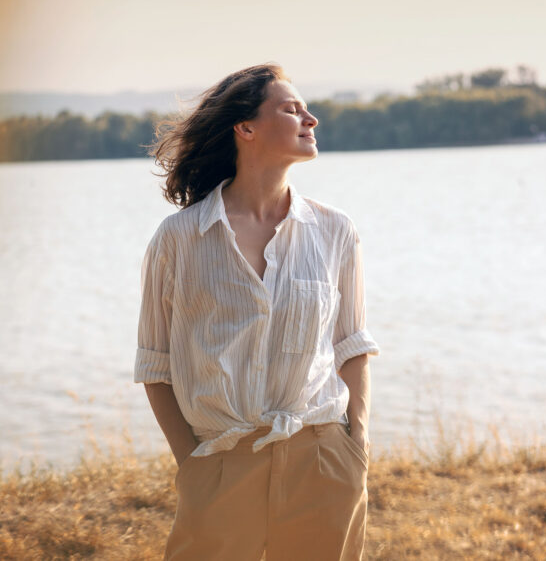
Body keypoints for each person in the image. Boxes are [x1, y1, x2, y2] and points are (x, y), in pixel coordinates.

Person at [134, 63, 380, 561]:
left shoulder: (336, 231)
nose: (311, 119)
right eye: (291, 109)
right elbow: (156, 366)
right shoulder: (179, 239)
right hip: (222, 463)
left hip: (323, 460)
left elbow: (351, 346)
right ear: (245, 129)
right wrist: (194, 465)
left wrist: (357, 446)